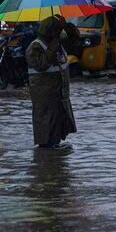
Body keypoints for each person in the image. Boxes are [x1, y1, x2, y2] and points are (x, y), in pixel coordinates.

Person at [25, 15, 79, 149]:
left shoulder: (58, 44)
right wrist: (52, 48)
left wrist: (67, 26)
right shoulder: (36, 46)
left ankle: (54, 155)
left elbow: (76, 40)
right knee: (46, 128)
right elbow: (41, 64)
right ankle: (46, 156)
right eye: (57, 30)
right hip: (44, 96)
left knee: (59, 126)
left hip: (58, 93)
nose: (60, 33)